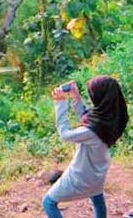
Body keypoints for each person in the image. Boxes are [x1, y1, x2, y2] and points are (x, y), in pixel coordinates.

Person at [43, 76, 129, 218]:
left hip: (80, 176)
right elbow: (87, 116)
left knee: (49, 203)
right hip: (98, 173)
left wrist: (61, 103)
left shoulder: (92, 131)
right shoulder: (112, 119)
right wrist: (76, 97)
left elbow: (65, 134)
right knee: (97, 200)